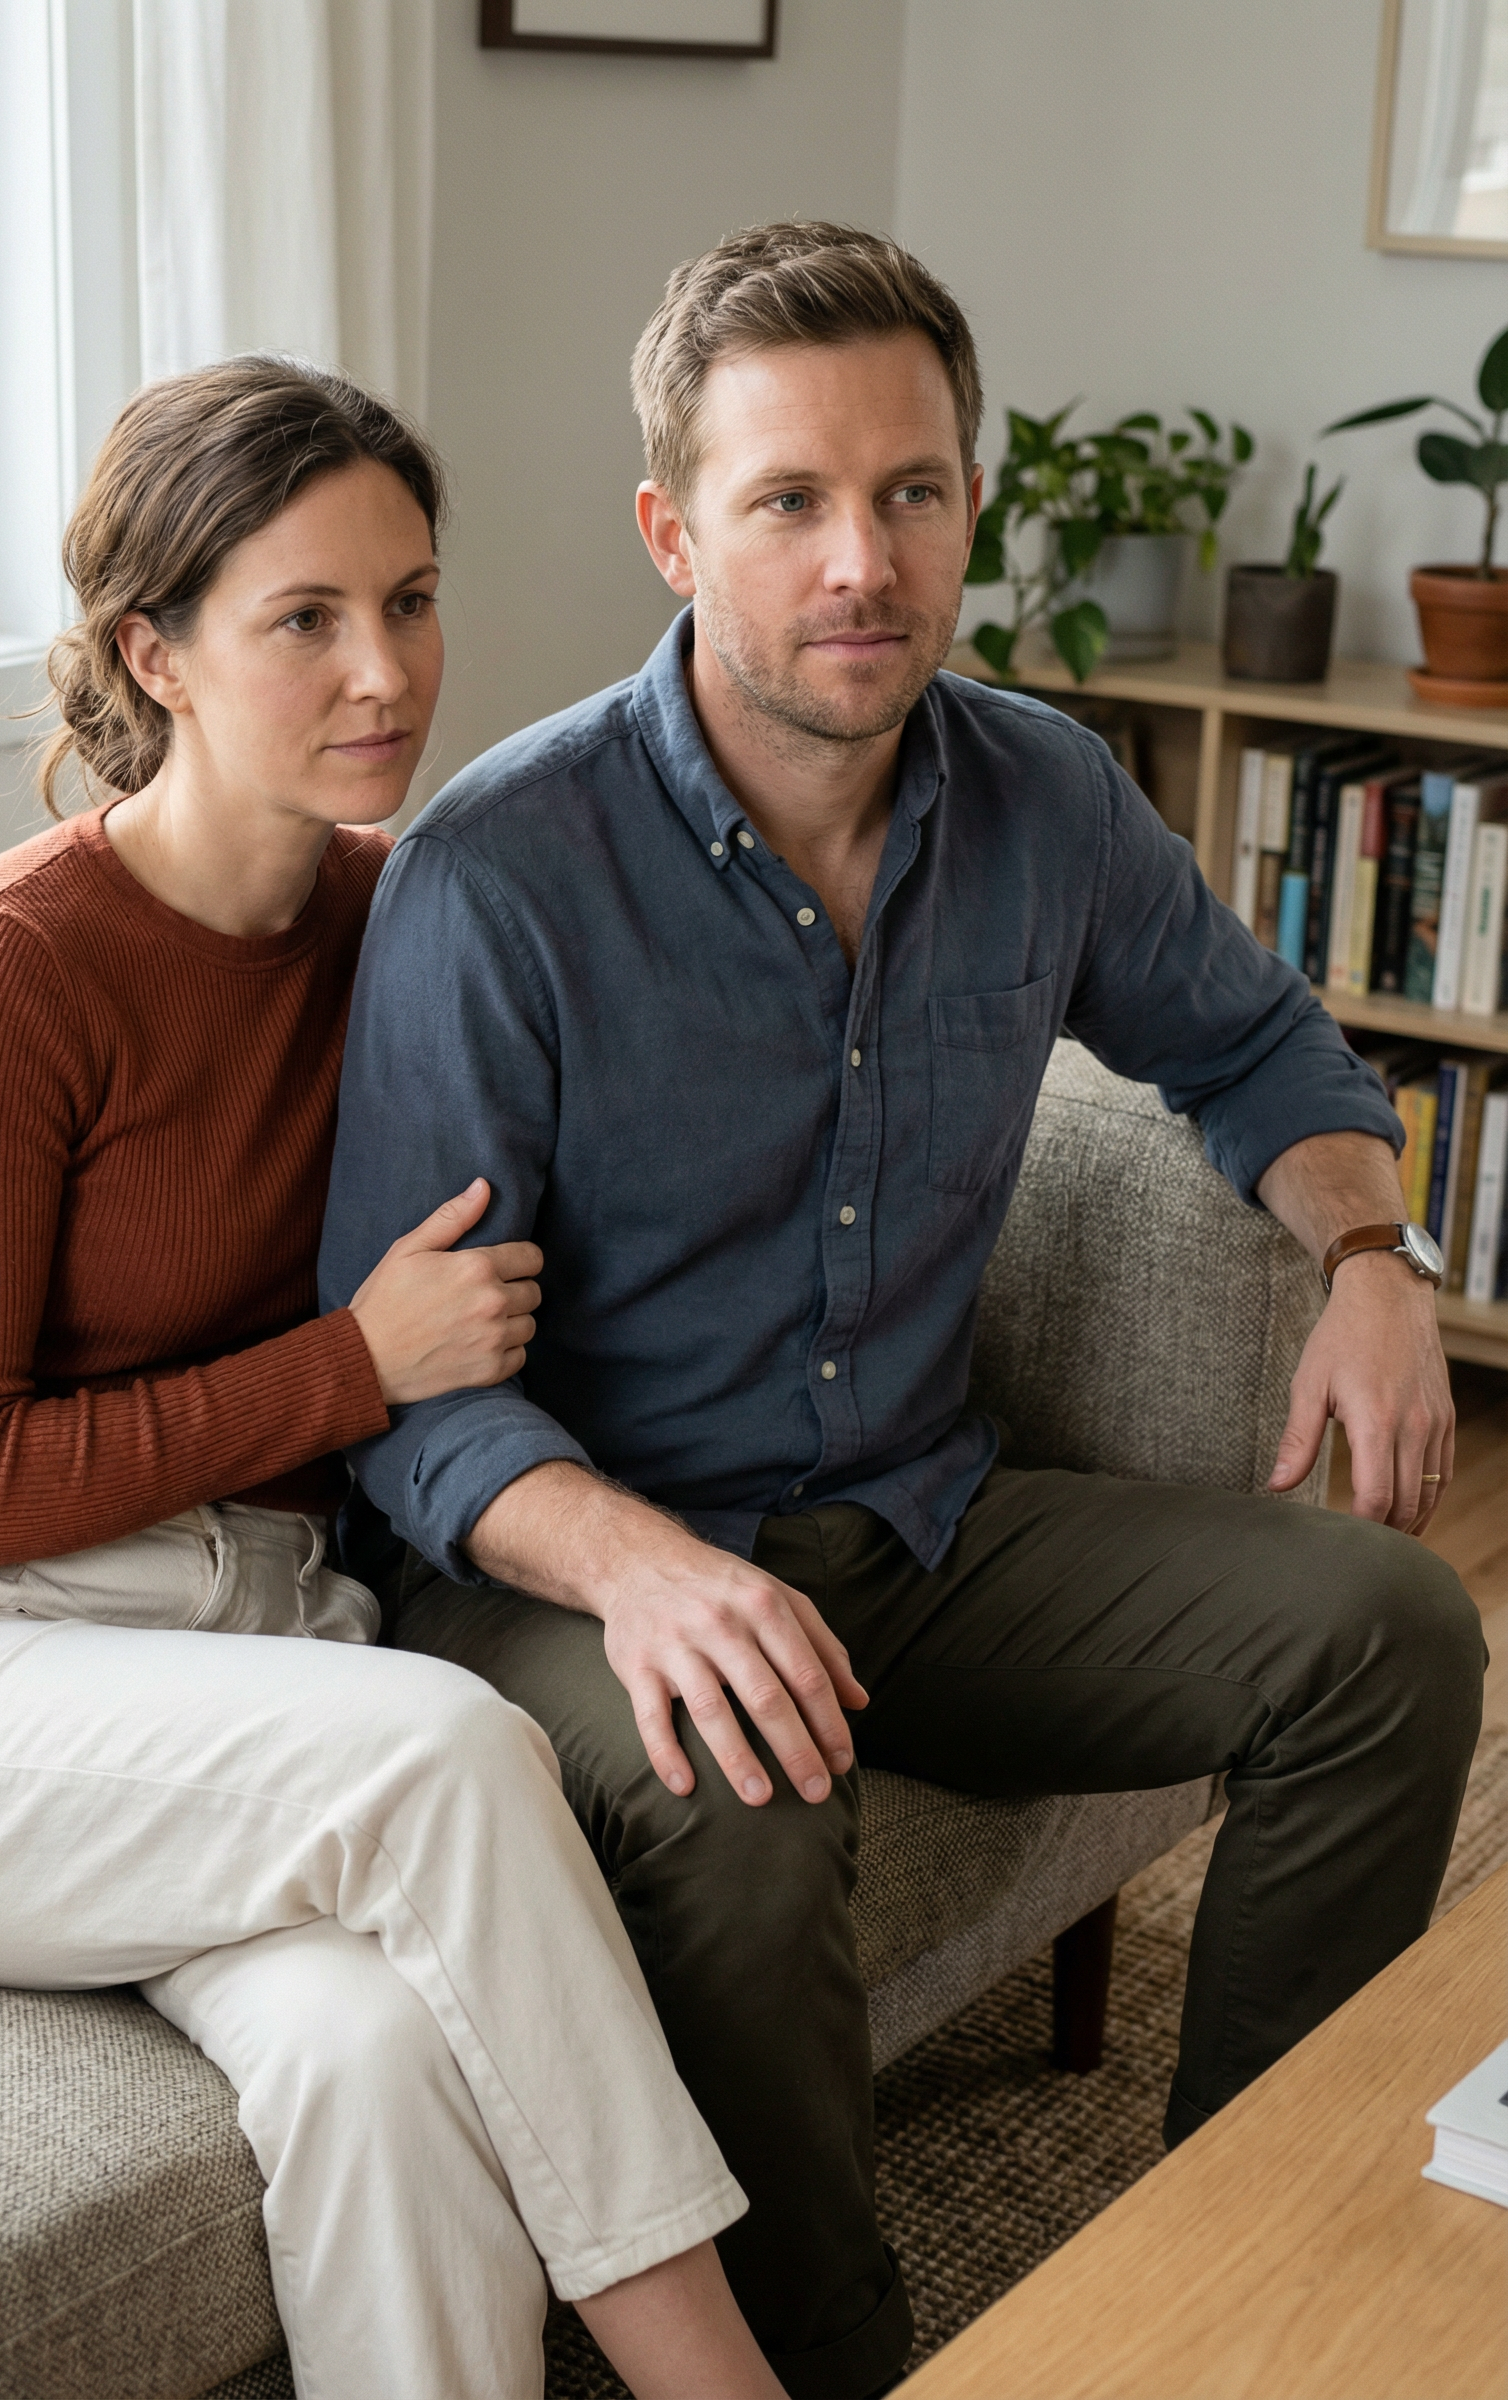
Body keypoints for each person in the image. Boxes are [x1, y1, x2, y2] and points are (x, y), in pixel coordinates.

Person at [318, 223, 1487, 2400]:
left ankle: (1237, 2248)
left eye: (912, 491)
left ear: (970, 501)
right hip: (577, 1570)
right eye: (788, 500)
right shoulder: (500, 875)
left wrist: (1363, 1261)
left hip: (916, 1524)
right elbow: (406, 1404)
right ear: (674, 534)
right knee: (740, 1792)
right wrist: (642, 1570)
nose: (863, 562)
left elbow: (1255, 1046)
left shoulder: (1044, 796)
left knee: (1388, 1632)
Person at [0, 355, 796, 2400]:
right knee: (452, 1756)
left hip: (248, 1660)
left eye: (408, 600)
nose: (382, 670)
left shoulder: (413, 922)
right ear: (159, 654)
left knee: (375, 2055)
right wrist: (350, 1365)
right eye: (303, 617)